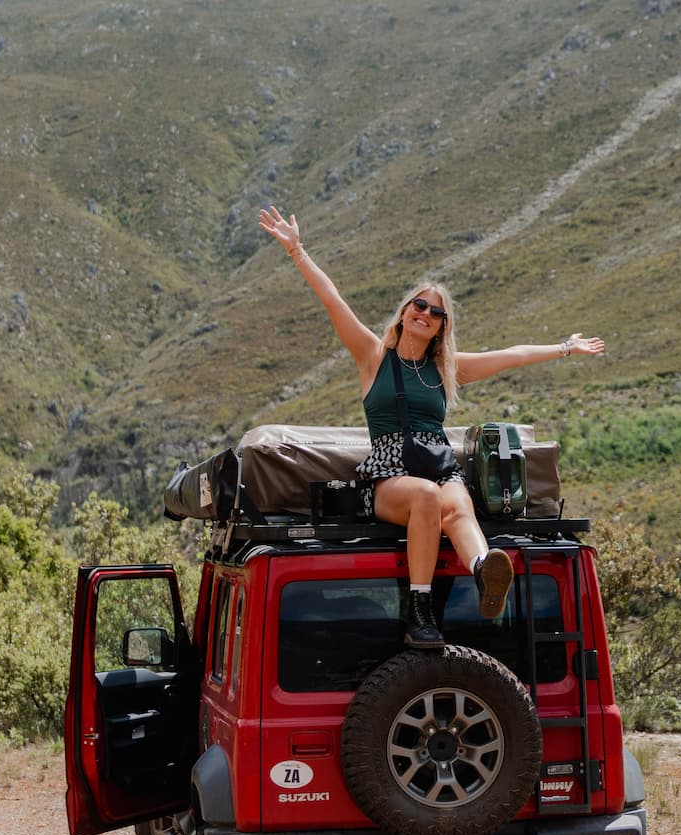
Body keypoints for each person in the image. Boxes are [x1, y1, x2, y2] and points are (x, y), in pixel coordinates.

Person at [259, 205, 605, 649]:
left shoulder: (446, 369)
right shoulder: (374, 357)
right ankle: (419, 612)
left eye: (436, 312)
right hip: (389, 473)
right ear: (405, 313)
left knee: (458, 505)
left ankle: (484, 571)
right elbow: (333, 300)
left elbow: (512, 354)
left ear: (442, 327)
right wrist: (296, 250)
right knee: (424, 497)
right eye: (419, 304)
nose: (425, 312)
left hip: (438, 463)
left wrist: (565, 347)